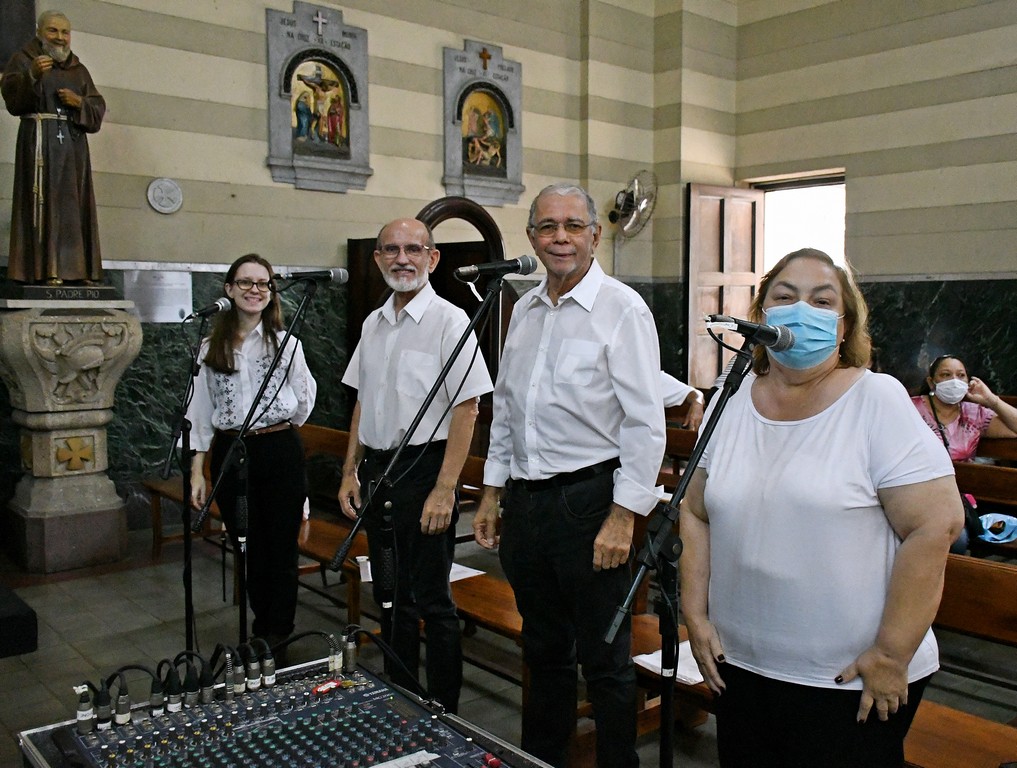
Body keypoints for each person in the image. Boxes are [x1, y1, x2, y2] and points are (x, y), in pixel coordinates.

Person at [679, 248, 963, 768]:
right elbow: (695, 511)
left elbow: (935, 525)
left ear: (843, 325)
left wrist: (892, 654)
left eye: (822, 301)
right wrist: (695, 616)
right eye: (785, 297)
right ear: (762, 315)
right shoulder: (732, 397)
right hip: (738, 666)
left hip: (848, 679)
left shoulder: (875, 400)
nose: (801, 310)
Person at [472, 183, 666, 768]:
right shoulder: (524, 309)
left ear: (595, 235)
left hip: (590, 503)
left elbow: (645, 423)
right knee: (544, 650)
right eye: (548, 227)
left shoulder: (623, 309)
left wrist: (624, 517)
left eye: (573, 226)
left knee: (605, 661)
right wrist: (492, 491)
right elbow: (508, 409)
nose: (560, 238)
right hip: (527, 505)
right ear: (531, 237)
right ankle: (544, 760)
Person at [338, 218, 492, 714]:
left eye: (413, 249)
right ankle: (400, 692)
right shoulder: (373, 322)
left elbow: (467, 408)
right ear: (377, 258)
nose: (402, 258)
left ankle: (445, 711)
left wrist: (446, 489)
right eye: (391, 249)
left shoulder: (450, 321)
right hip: (379, 470)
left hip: (427, 470)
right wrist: (349, 470)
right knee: (390, 592)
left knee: (433, 600)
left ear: (433, 257)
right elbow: (363, 400)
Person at [187, 254, 317, 646]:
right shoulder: (210, 348)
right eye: (245, 282)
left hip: (279, 449)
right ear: (229, 289)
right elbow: (200, 411)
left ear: (272, 292)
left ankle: (277, 634)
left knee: (280, 548)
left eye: (263, 283)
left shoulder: (286, 343)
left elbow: (304, 400)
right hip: (232, 451)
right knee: (248, 545)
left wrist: (279, 429)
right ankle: (261, 624)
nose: (254, 290)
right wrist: (197, 471)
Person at [2, 10, 105, 286]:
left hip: (73, 148)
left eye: (64, 32)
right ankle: (41, 271)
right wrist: (32, 76)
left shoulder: (78, 70)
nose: (59, 37)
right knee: (41, 202)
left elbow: (97, 108)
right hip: (39, 142)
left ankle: (77, 271)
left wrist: (79, 102)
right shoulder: (23, 60)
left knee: (74, 206)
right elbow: (12, 100)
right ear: (39, 32)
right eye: (52, 31)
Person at [911, 354, 1017, 463]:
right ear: (931, 382)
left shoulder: (974, 414)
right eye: (946, 375)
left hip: (962, 473)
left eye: (961, 375)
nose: (954, 381)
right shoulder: (911, 408)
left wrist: (992, 401)